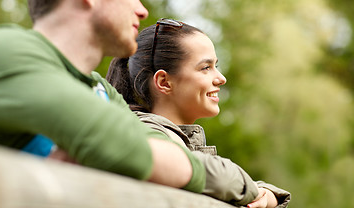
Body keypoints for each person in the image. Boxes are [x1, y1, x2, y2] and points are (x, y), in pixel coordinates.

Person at [0, 0, 206, 192]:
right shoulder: (6, 50)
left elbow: (171, 155)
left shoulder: (99, 88)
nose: (142, 11)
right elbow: (125, 148)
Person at [106, 18, 291, 208]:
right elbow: (218, 178)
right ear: (164, 82)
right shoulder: (149, 135)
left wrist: (267, 195)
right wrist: (257, 192)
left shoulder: (170, 137)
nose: (221, 78)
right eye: (205, 68)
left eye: (215, 66)